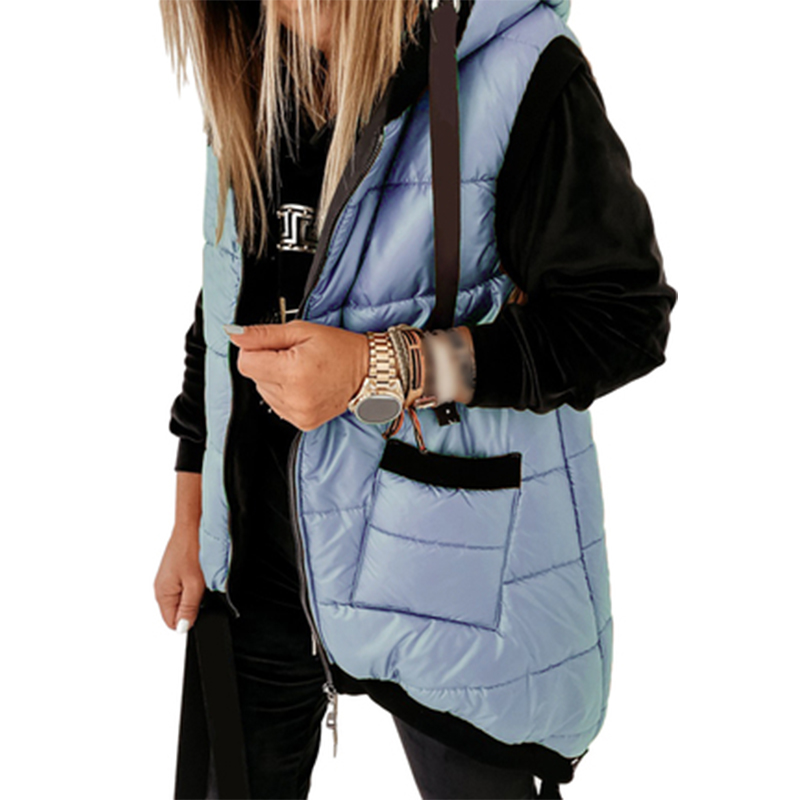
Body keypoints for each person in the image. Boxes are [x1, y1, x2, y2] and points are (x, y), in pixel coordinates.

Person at [154, 1, 677, 798]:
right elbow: (226, 294)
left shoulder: (520, 66)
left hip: (451, 578)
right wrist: (194, 514)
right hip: (256, 565)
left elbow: (621, 320)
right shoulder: (256, 67)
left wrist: (382, 366)